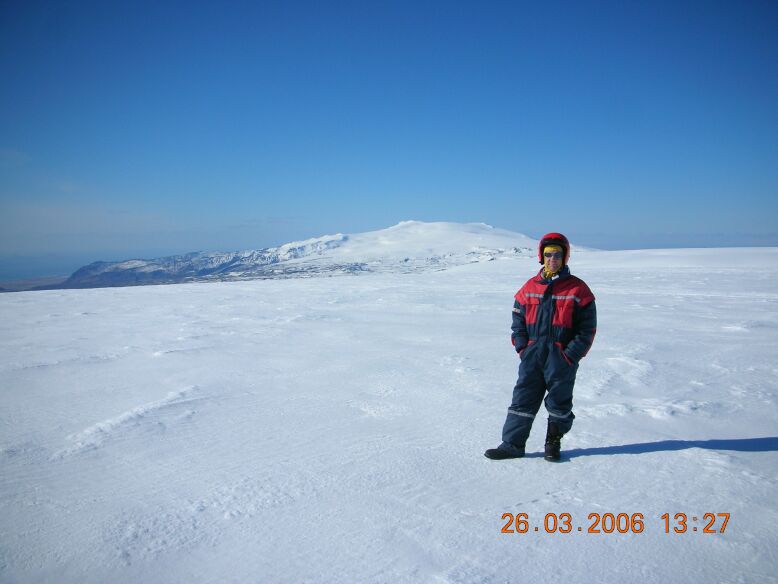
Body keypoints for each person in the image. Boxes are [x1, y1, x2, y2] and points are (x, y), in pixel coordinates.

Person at [485, 232, 596, 462]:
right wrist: (522, 347)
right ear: (541, 257)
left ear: (565, 257)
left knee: (559, 403)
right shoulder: (530, 286)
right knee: (523, 399)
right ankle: (512, 445)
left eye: (557, 255)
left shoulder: (578, 289)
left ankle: (552, 443)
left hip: (560, 357)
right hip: (533, 355)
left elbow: (587, 329)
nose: (552, 259)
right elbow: (517, 318)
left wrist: (570, 355)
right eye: (548, 255)